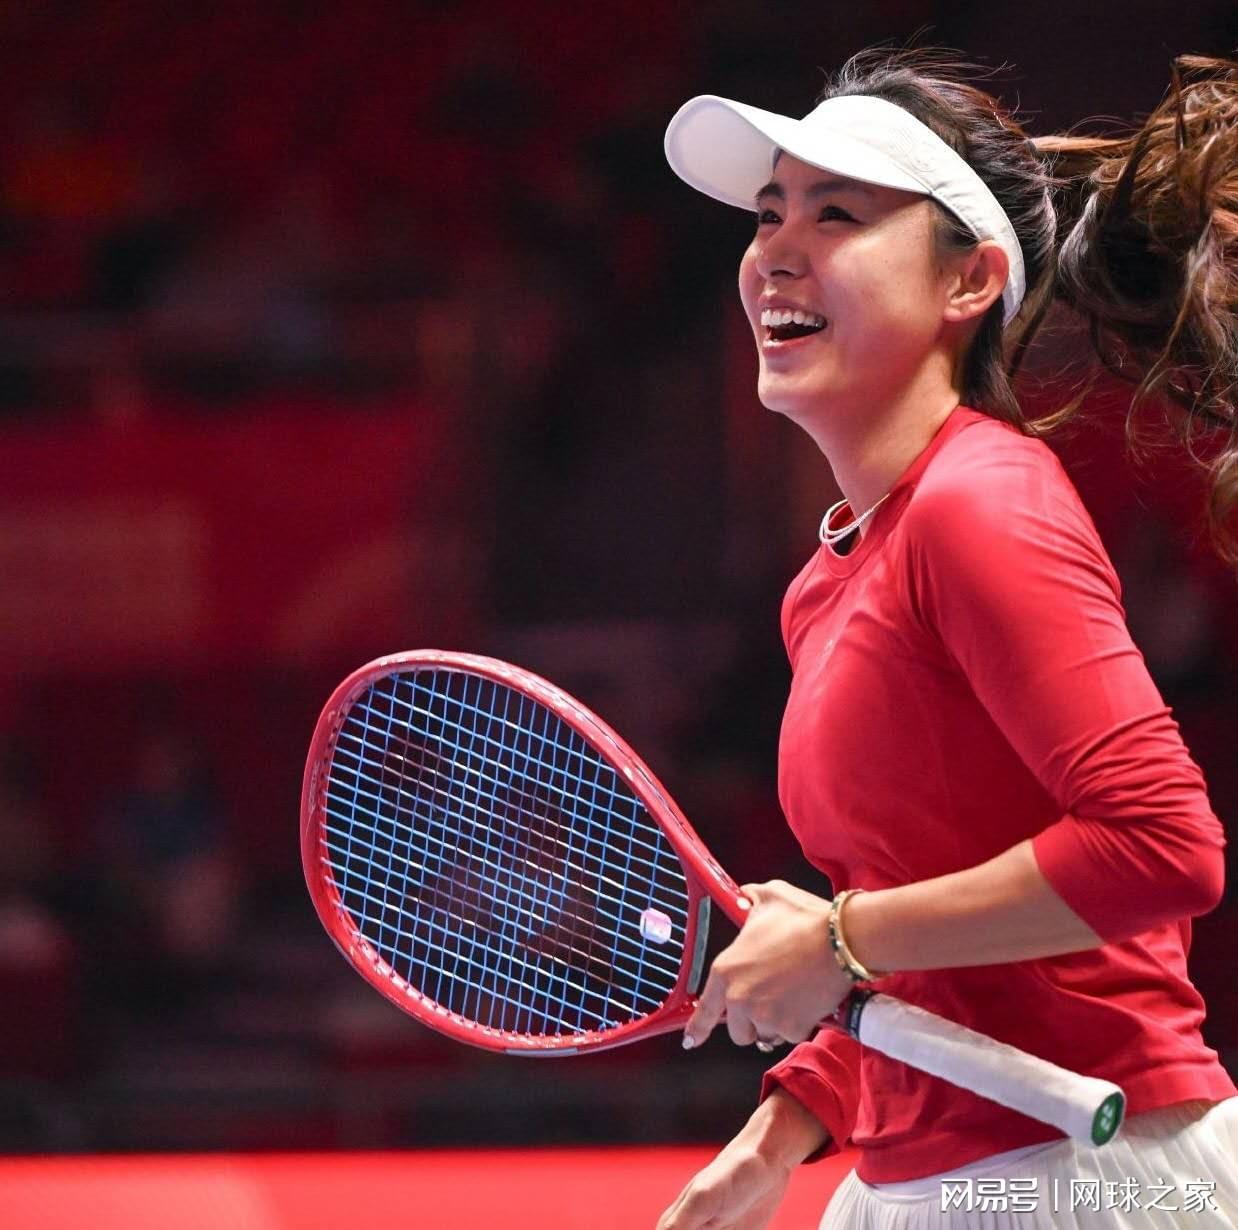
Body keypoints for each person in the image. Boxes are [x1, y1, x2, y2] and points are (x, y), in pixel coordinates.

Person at [654, 47, 1238, 1230]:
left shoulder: (980, 502)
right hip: (924, 1174)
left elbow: (1163, 847)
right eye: (766, 214)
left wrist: (837, 937)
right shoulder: (827, 582)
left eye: (835, 214)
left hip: (1087, 1174)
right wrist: (783, 1128)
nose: (775, 251)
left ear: (968, 281)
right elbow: (922, 939)